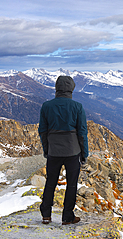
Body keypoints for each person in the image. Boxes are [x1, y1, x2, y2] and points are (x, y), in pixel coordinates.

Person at [38, 75, 88, 225]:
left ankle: (46, 214)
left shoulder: (46, 106)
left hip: (54, 151)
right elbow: (82, 132)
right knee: (72, 184)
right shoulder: (77, 107)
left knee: (50, 182)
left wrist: (47, 149)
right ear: (71, 88)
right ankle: (67, 216)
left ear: (56, 88)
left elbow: (43, 131)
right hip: (73, 151)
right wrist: (84, 154)